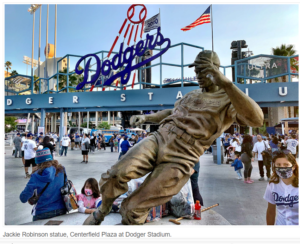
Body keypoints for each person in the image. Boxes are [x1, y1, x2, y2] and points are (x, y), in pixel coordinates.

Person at [83, 50, 264, 225]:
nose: (198, 75)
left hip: (183, 155)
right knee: (115, 174)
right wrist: (147, 118)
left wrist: (228, 84)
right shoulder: (193, 93)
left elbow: (257, 119)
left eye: (203, 70)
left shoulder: (229, 99)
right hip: (161, 137)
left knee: (132, 210)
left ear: (216, 70)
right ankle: (102, 211)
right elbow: (172, 112)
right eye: (196, 71)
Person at [19, 148, 67, 221]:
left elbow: (23, 198)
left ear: (38, 162)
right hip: (61, 209)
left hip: (42, 212)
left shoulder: (36, 175)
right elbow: (65, 187)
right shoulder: (61, 170)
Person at [263, 150, 299, 225]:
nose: (282, 168)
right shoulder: (272, 185)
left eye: (286, 165)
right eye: (278, 165)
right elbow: (271, 211)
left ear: (294, 166)